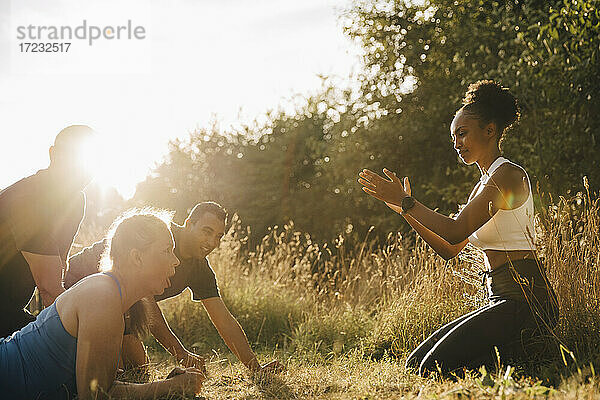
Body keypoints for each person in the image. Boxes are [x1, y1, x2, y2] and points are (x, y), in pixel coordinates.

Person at [358, 80, 559, 376]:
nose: (456, 143)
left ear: (489, 130)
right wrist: (404, 210)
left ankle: (525, 356)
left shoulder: (507, 175)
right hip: (500, 298)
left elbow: (455, 230)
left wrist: (408, 201)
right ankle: (510, 358)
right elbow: (450, 249)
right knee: (416, 363)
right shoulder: (482, 185)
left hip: (526, 300)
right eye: (454, 137)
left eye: (462, 134)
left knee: (432, 369)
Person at [0, 209, 205, 399]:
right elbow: (95, 395)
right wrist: (170, 387)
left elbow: (103, 385)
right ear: (137, 257)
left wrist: (170, 382)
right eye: (167, 250)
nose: (176, 261)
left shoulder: (112, 297)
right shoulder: (103, 296)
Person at [65, 201, 283, 374]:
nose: (212, 242)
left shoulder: (200, 269)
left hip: (118, 305)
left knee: (139, 371)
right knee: (118, 373)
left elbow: (223, 320)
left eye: (218, 236)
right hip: (75, 283)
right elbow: (147, 302)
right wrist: (180, 353)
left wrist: (257, 368)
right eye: (206, 231)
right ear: (188, 224)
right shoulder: (162, 236)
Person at [0, 125, 97, 337]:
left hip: (8, 313)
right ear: (53, 154)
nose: (80, 169)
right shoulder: (27, 199)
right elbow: (49, 288)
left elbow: (58, 272)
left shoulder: (75, 201)